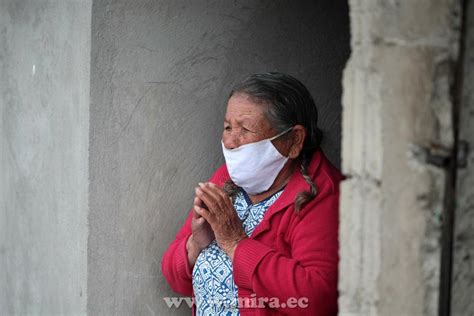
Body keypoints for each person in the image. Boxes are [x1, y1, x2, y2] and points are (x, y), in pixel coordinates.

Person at [161, 72, 343, 315]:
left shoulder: (324, 194)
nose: (230, 142)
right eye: (228, 127)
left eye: (245, 129)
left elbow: (318, 300)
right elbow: (176, 279)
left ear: (294, 140)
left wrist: (236, 243)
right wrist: (196, 244)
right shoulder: (227, 177)